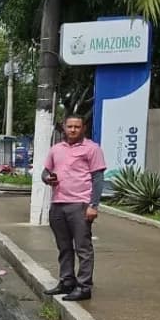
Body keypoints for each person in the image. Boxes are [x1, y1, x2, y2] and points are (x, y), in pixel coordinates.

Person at [41, 115, 106, 301]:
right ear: (64, 127)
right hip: (58, 204)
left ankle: (84, 286)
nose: (73, 130)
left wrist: (93, 205)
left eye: (77, 127)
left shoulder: (92, 149)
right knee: (64, 247)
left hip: (80, 204)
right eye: (69, 126)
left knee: (83, 248)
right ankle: (66, 281)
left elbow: (98, 179)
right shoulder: (56, 149)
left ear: (83, 128)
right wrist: (47, 178)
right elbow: (45, 171)